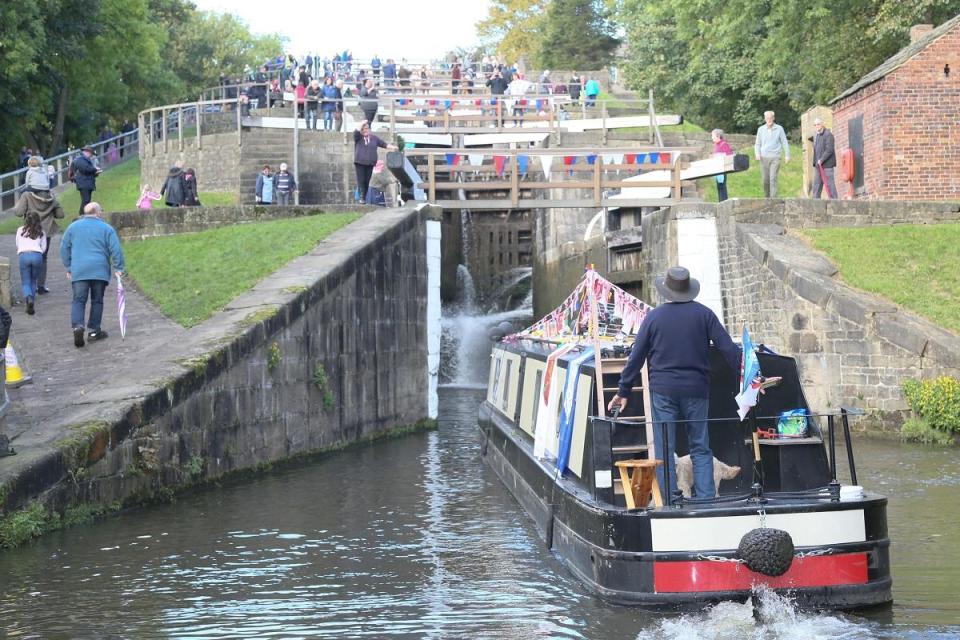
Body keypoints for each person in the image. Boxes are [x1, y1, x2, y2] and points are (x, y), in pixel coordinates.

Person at [607, 266, 741, 502]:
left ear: (667, 291)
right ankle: (707, 501)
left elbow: (636, 357)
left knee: (665, 447)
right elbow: (729, 349)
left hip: (663, 390)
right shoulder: (705, 314)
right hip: (697, 390)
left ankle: (669, 501)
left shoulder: (654, 317)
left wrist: (623, 390)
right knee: (700, 446)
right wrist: (750, 376)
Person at [59, 202, 125, 347]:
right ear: (98, 212)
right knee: (97, 300)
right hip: (99, 270)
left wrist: (69, 267)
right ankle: (94, 331)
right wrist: (118, 267)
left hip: (79, 270)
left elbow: (64, 248)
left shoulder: (73, 227)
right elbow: (116, 249)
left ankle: (78, 326)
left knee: (78, 300)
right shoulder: (106, 228)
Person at [13, 190, 64, 296]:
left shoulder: (26, 195)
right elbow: (60, 214)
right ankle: (40, 286)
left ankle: (29, 296)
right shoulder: (51, 197)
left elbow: (18, 212)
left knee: (26, 276)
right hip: (45, 231)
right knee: (43, 258)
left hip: (26, 235)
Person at [353, 121, 396, 204]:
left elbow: (383, 144)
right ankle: (361, 197)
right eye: (363, 129)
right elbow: (356, 131)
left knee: (367, 181)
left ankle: (364, 197)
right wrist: (362, 123)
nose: (365, 130)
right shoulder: (358, 137)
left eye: (367, 128)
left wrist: (393, 147)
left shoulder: (374, 138)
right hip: (360, 163)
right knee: (361, 180)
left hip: (370, 163)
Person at [16, 212, 47, 316]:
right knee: (33, 280)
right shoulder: (41, 232)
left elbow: (17, 244)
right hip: (37, 255)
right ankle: (32, 301)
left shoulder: (20, 230)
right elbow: (44, 248)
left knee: (25, 281)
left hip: (24, 255)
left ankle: (28, 298)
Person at [754, 110, 790, 198]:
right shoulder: (761, 129)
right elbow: (757, 143)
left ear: (773, 118)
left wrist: (787, 155)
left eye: (771, 118)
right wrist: (757, 153)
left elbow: (784, 142)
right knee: (765, 181)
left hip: (775, 157)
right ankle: (767, 199)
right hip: (763, 158)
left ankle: (773, 200)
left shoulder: (779, 129)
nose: (769, 120)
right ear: (765, 119)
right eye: (767, 118)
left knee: (772, 179)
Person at [70, 146, 101, 216]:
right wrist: (95, 169)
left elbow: (87, 171)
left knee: (87, 200)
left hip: (86, 183)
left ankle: (84, 215)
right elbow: (85, 169)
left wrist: (95, 173)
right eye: (91, 154)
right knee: (85, 200)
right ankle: (82, 215)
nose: (91, 156)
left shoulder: (84, 160)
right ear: (87, 152)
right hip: (84, 183)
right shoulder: (80, 159)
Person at [811, 117, 837, 199]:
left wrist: (821, 160)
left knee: (830, 186)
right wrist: (816, 163)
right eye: (815, 125)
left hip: (827, 166)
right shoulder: (816, 135)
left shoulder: (828, 134)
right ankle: (815, 205)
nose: (817, 126)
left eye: (818, 124)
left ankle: (835, 203)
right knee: (816, 187)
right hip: (818, 166)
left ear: (822, 124)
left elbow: (829, 150)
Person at [711, 129, 735, 202]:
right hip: (718, 169)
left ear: (718, 136)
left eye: (712, 135)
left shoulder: (724, 144)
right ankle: (721, 202)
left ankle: (724, 202)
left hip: (723, 169)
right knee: (719, 186)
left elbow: (729, 156)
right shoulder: (716, 145)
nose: (711, 137)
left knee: (722, 186)